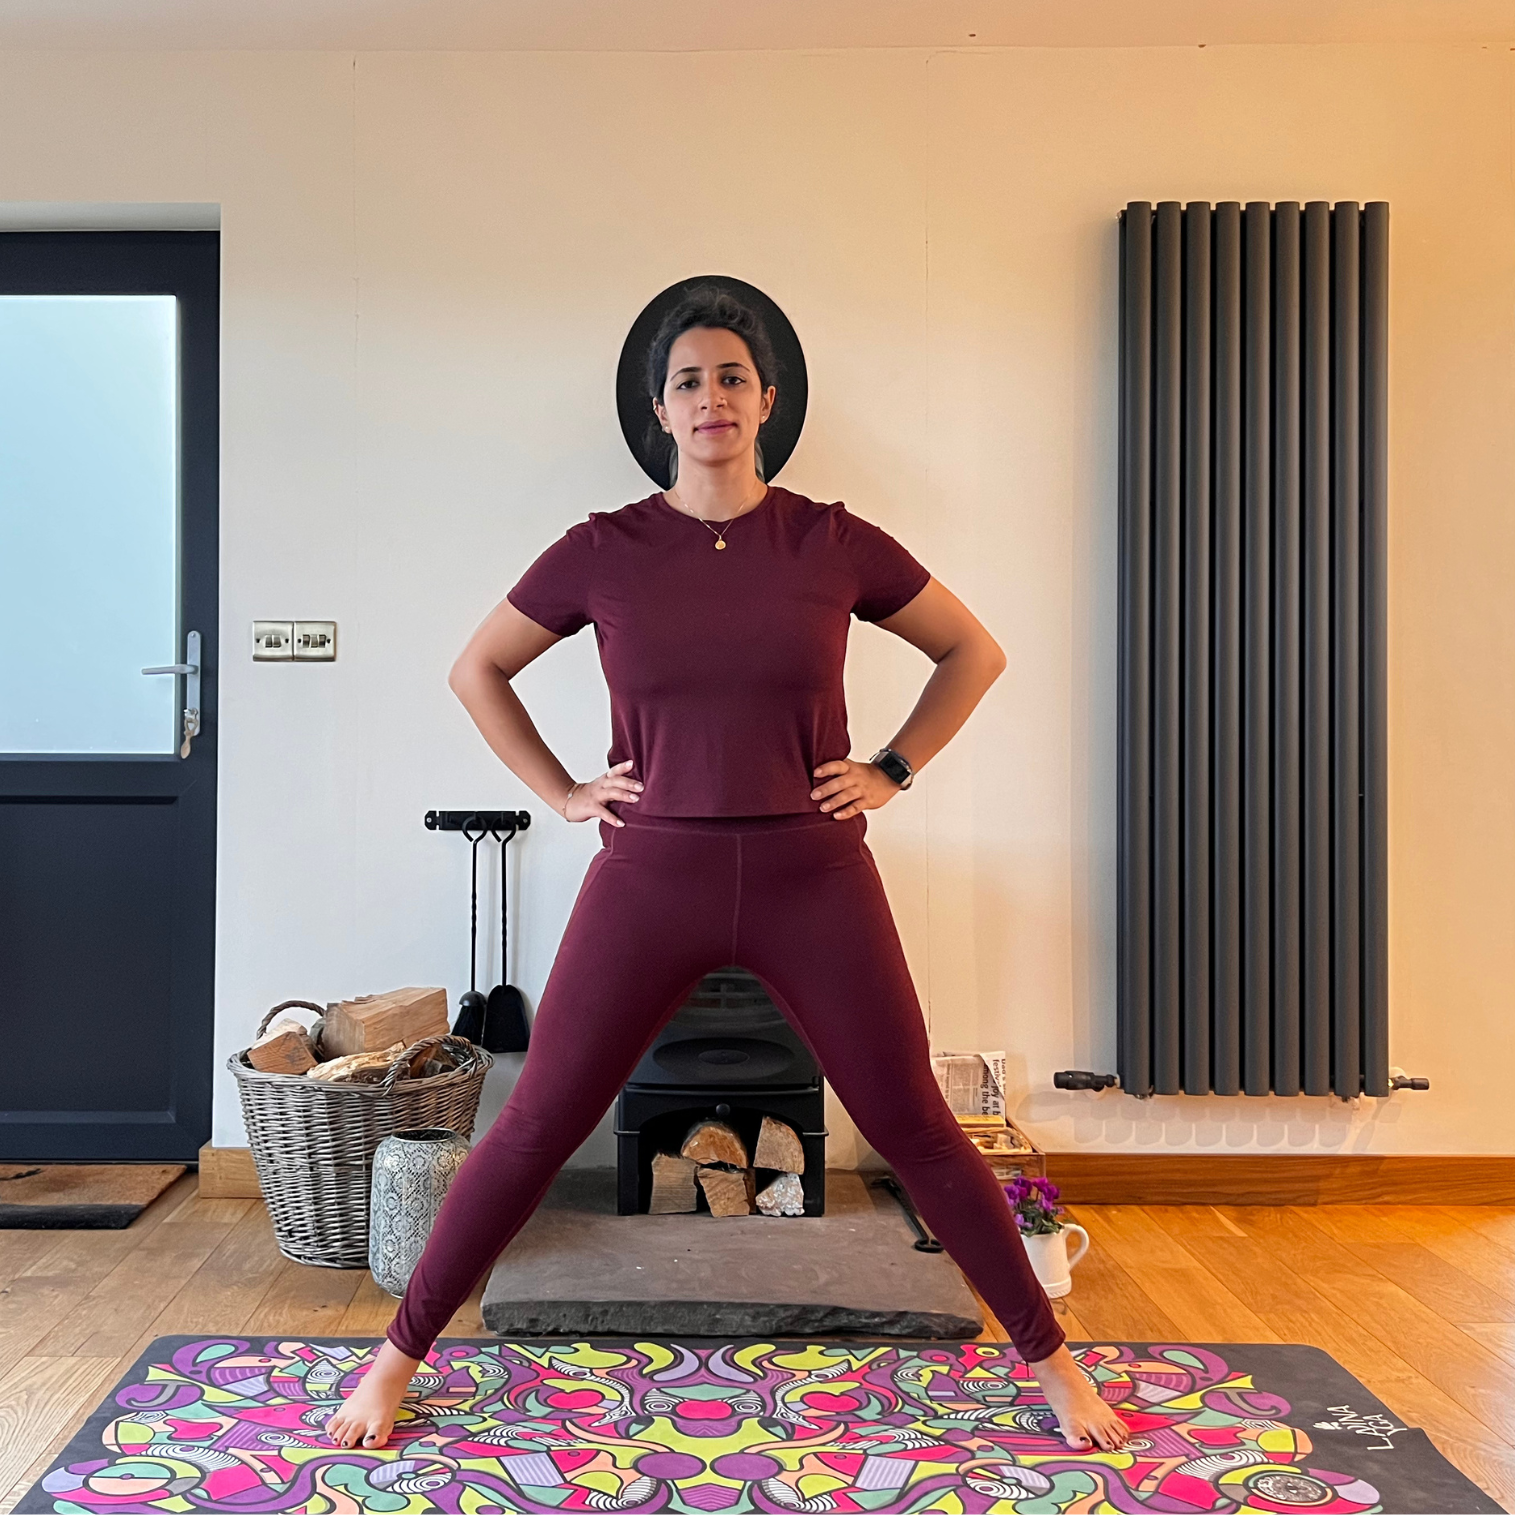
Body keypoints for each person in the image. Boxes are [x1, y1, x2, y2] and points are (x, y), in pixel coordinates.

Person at [325, 287, 1129, 1455]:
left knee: (912, 1120)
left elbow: (973, 649)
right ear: (659, 409)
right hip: (651, 876)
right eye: (690, 381)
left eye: (733, 378)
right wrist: (562, 791)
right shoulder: (603, 548)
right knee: (538, 1121)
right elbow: (477, 669)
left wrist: (895, 765)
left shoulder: (830, 539)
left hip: (814, 874)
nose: (712, 398)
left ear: (769, 401)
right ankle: (396, 1360)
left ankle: (1051, 1367)